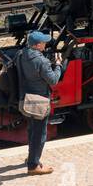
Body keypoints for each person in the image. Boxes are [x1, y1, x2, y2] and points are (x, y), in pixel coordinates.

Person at [19, 30, 61, 175]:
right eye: (43, 42)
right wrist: (59, 66)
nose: (45, 44)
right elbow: (53, 80)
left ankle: (32, 157)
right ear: (37, 45)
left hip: (26, 98)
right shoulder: (41, 61)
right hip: (40, 101)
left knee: (31, 129)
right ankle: (33, 166)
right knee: (40, 133)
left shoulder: (21, 54)